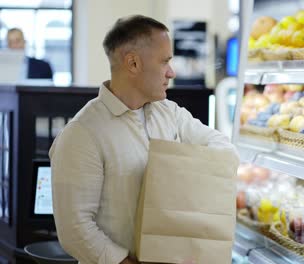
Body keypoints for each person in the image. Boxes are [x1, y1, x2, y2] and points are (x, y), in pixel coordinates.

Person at [49, 15, 236, 264]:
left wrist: (185, 173)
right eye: (165, 61)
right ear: (134, 63)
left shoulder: (169, 112)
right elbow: (75, 229)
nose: (172, 71)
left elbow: (225, 151)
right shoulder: (82, 134)